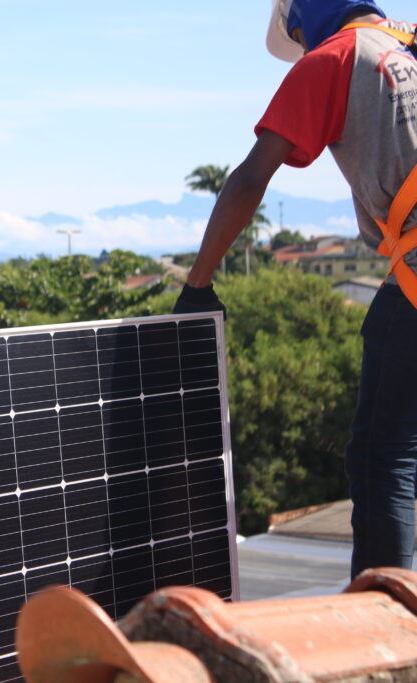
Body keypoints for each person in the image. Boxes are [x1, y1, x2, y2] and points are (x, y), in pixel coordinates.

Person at [174, 0, 417, 579]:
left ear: (306, 20)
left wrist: (198, 284)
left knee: (384, 459)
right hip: (404, 275)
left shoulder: (330, 61)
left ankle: (387, 617)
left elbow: (253, 176)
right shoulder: (409, 42)